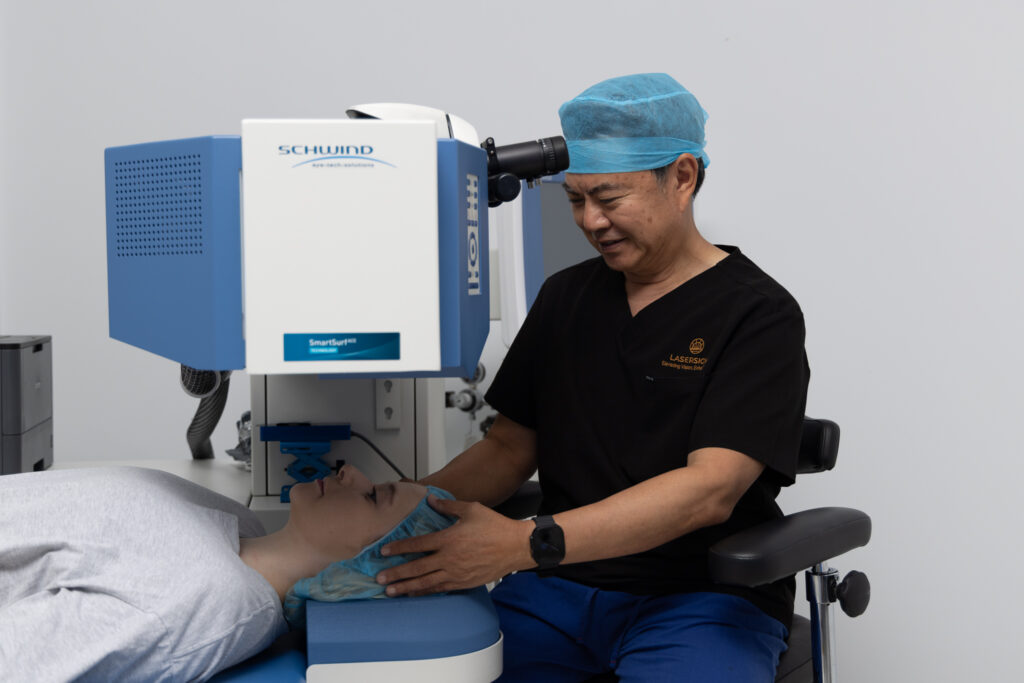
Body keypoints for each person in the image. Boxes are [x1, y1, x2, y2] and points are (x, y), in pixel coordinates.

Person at [377, 73, 810, 682]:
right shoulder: (566, 297)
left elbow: (708, 490)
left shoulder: (757, 314)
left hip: (699, 599)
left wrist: (522, 544)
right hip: (560, 591)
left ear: (682, 178)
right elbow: (507, 449)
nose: (590, 221)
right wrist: (404, 511)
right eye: (575, 199)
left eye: (609, 198)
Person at [0, 463, 452, 682]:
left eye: (373, 496)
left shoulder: (200, 603)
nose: (351, 472)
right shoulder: (242, 527)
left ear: (373, 567)